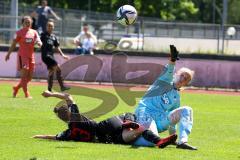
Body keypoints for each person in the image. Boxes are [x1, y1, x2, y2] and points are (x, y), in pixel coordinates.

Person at [33, 90, 177, 148]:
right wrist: (51, 94)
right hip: (106, 126)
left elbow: (52, 137)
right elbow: (68, 97)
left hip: (108, 139)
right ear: (70, 114)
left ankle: (157, 140)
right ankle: (155, 138)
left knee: (136, 131)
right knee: (132, 119)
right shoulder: (76, 118)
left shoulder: (68, 133)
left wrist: (37, 136)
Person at [133, 45, 197, 150]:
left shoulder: (176, 97)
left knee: (187, 110)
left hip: (160, 120)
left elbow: (173, 122)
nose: (183, 78)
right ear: (176, 74)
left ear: (186, 83)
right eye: (182, 75)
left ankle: (182, 141)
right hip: (145, 113)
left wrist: (173, 137)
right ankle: (127, 138)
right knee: (153, 141)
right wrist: (172, 59)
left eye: (186, 79)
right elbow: (170, 68)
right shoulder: (164, 80)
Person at [5, 16, 42, 98]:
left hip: (31, 56)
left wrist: (39, 43)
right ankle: (26, 94)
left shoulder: (34, 32)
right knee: (24, 76)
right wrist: (8, 54)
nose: (28, 24)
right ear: (22, 23)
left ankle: (16, 88)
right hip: (22, 56)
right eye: (26, 22)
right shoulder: (19, 33)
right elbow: (13, 44)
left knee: (30, 77)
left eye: (29, 22)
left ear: (31, 23)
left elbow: (38, 39)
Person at [40, 20, 70, 92]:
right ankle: (62, 86)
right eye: (48, 26)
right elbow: (38, 41)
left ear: (53, 27)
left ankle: (49, 89)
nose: (50, 27)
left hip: (51, 56)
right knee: (58, 68)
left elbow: (57, 47)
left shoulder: (54, 37)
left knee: (51, 71)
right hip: (46, 55)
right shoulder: (43, 35)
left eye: (51, 26)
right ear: (46, 27)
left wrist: (62, 55)